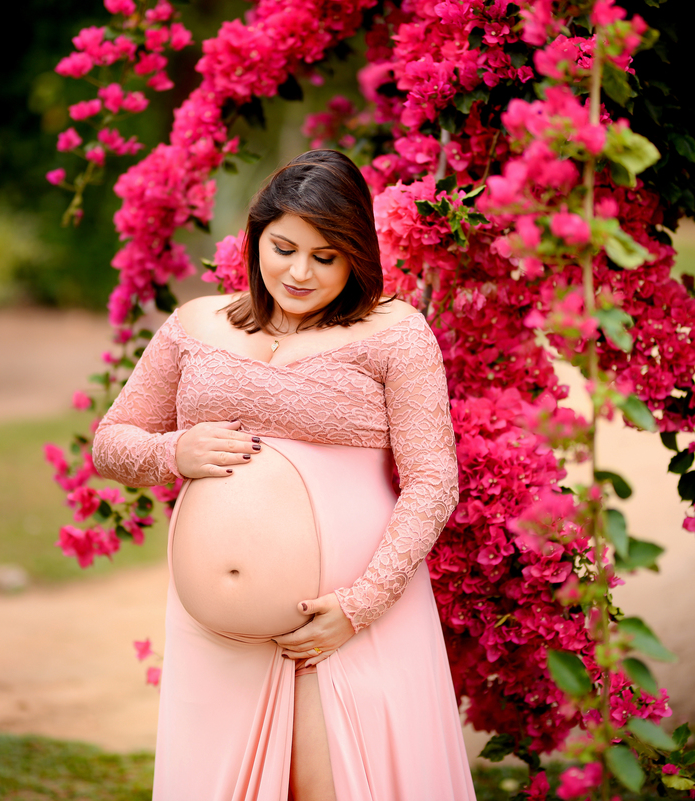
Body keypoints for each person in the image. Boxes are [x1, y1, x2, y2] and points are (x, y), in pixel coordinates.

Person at [92, 150, 476, 800]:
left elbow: (434, 480)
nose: (299, 272)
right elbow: (111, 440)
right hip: (216, 637)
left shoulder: (396, 331)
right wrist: (173, 453)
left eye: (325, 257)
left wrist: (359, 607)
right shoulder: (195, 324)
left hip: (342, 622)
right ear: (256, 237)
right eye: (283, 247)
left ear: (356, 255)